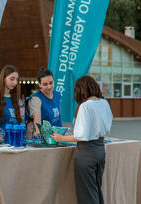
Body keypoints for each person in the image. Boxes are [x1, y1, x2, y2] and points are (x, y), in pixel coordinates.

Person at [52, 75, 113, 204]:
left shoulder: (85, 106)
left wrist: (61, 137)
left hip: (86, 153)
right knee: (96, 189)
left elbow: (81, 135)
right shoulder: (104, 103)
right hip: (100, 150)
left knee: (87, 193)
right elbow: (107, 127)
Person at [25, 68, 62, 138]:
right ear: (39, 84)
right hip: (40, 138)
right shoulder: (35, 98)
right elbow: (37, 116)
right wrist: (38, 130)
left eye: (51, 83)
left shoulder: (57, 95)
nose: (49, 87)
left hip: (56, 137)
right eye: (45, 84)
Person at [0, 65, 22, 140]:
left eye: (16, 80)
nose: (15, 82)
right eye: (12, 79)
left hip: (14, 143)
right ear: (3, 78)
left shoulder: (15, 98)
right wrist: (1, 141)